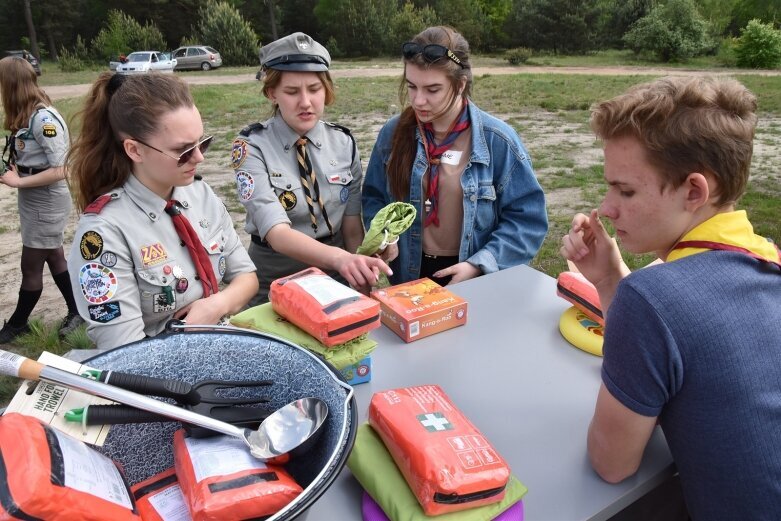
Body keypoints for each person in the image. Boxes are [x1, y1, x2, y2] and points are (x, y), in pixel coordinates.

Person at [560, 76, 781, 519]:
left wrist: (626, 292)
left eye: (626, 190)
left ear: (695, 191)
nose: (606, 207)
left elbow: (612, 463)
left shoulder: (653, 299)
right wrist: (607, 279)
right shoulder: (769, 259)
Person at [67, 72, 258, 349]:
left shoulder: (199, 194)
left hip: (221, 344)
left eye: (202, 143)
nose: (199, 157)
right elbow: (125, 352)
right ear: (134, 150)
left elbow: (247, 277)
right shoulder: (104, 232)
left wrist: (216, 305)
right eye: (183, 151)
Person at [362, 26, 548, 286]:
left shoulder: (497, 140)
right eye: (412, 86)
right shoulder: (393, 134)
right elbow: (374, 197)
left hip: (472, 275)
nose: (418, 100)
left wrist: (479, 265)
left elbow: (527, 221)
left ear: (460, 84)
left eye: (433, 89)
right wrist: (384, 237)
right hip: (409, 275)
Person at [234, 32, 390, 304]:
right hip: (276, 280)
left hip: (337, 277)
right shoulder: (251, 147)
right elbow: (278, 234)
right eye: (292, 92)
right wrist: (343, 259)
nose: (305, 102)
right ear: (272, 93)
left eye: (315, 89)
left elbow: (352, 228)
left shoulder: (343, 142)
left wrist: (362, 280)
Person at [0, 56, 84, 343]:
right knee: (54, 255)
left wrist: (19, 180)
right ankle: (77, 311)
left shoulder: (43, 119)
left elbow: (63, 168)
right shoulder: (28, 114)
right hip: (34, 197)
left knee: (31, 265)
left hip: (46, 201)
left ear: (11, 84)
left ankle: (17, 324)